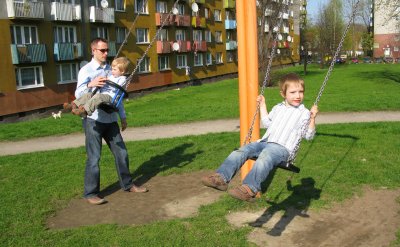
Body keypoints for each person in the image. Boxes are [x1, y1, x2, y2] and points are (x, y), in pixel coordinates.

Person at [201, 73, 319, 202]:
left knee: (266, 156)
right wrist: (263, 105)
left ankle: (249, 189)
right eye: (293, 92)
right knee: (242, 150)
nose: (297, 95)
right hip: (265, 142)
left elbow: (309, 135)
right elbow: (268, 123)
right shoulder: (277, 108)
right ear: (283, 94)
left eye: (301, 92)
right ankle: (221, 178)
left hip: (282, 149)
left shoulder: (304, 113)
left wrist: (312, 119)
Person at [73, 37, 147, 205]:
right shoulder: (86, 70)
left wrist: (123, 117)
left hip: (111, 119)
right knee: (94, 158)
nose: (106, 53)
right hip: (94, 120)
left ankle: (128, 185)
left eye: (107, 50)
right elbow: (78, 94)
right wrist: (91, 84)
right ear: (94, 51)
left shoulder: (113, 69)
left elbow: (118, 97)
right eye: (102, 50)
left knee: (122, 153)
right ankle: (91, 193)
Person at [63, 57, 129, 117]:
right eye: (112, 69)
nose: (112, 71)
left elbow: (117, 87)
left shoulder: (123, 79)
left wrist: (108, 81)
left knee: (98, 96)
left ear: (122, 71)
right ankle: (73, 105)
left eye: (114, 69)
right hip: (103, 95)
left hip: (111, 98)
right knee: (89, 95)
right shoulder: (112, 76)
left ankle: (84, 111)